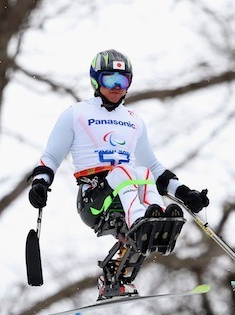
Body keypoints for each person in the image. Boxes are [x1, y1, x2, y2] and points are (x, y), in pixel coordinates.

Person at [28, 49, 209, 300]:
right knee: (125, 170)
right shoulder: (76, 114)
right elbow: (49, 158)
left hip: (127, 194)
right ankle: (139, 220)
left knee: (142, 171)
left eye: (122, 81)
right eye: (109, 79)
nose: (116, 87)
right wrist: (39, 184)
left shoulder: (134, 121)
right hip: (94, 200)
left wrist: (184, 193)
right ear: (95, 81)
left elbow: (156, 169)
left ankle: (121, 272)